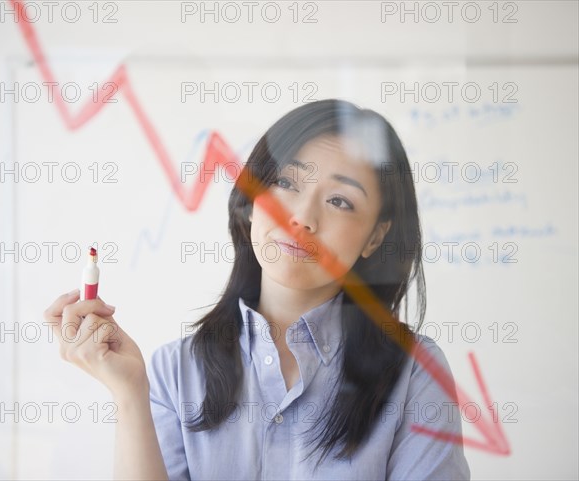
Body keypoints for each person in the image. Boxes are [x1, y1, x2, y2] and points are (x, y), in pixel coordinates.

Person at [44, 99, 471, 480]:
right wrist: (129, 393)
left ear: (376, 237)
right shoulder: (173, 372)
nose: (302, 217)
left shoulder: (414, 371)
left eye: (340, 201)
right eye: (286, 183)